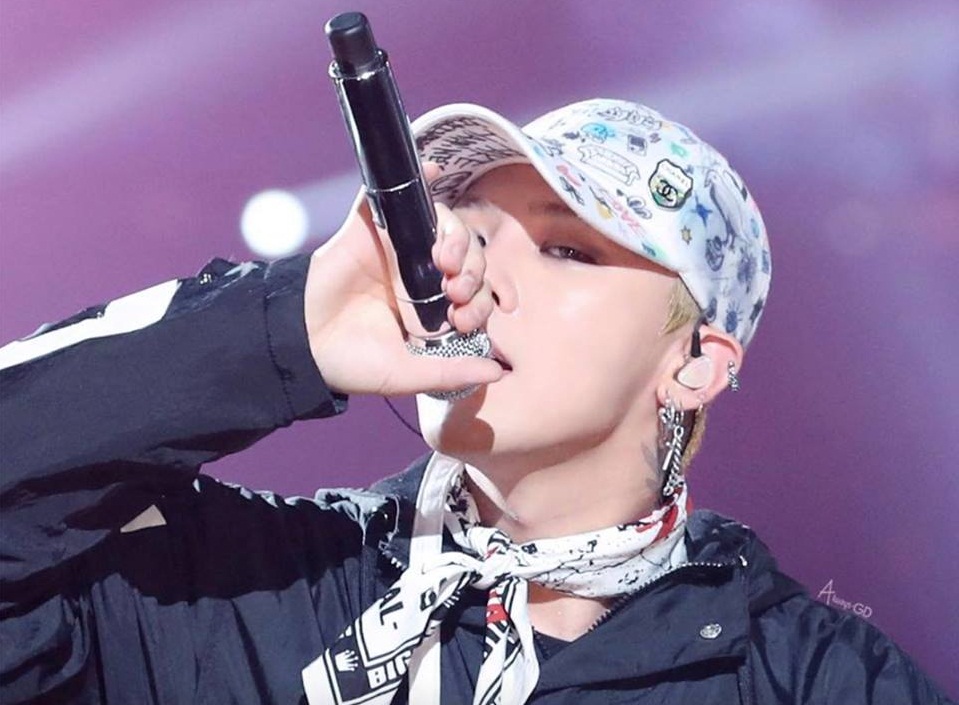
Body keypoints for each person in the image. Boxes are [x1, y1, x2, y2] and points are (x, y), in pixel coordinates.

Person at [0, 99, 951, 705]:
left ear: (695, 363)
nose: (477, 279)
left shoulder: (816, 680)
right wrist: (290, 329)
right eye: (475, 236)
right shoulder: (236, 590)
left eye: (566, 248)